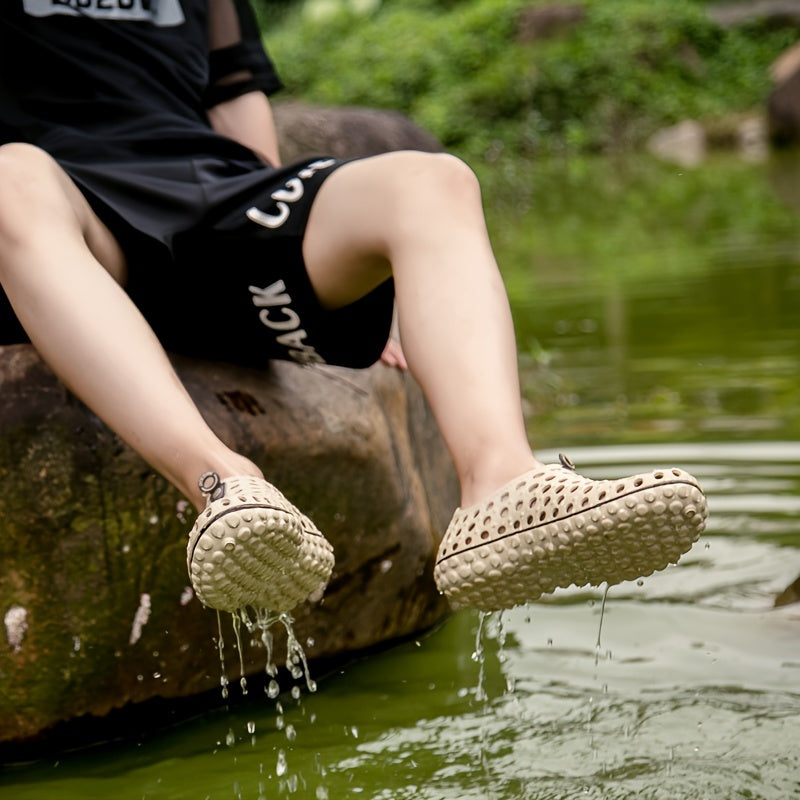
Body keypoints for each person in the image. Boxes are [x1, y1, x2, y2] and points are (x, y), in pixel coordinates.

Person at [0, 0, 706, 617]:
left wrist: (387, 277)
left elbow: (234, 90)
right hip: (56, 204)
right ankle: (226, 485)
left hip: (209, 193)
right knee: (10, 179)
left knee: (432, 181)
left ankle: (501, 483)